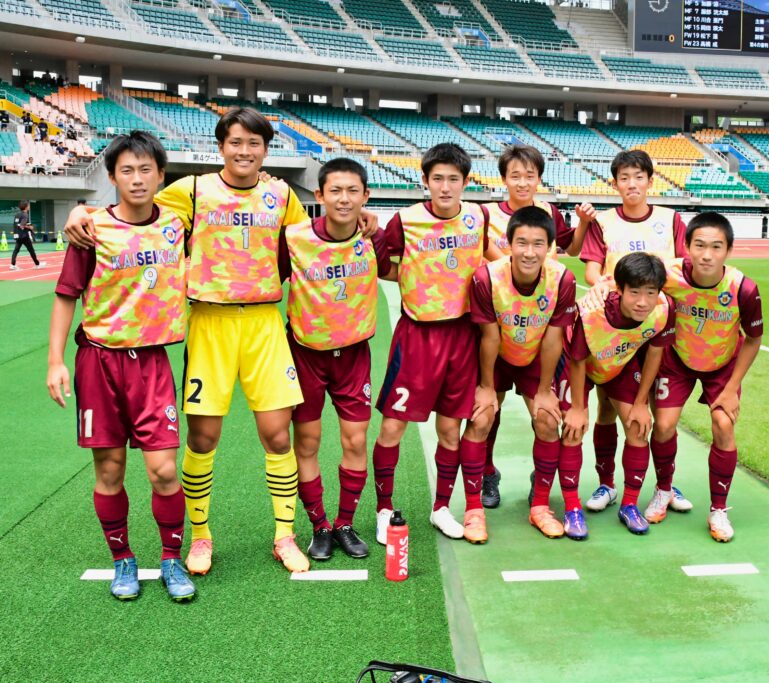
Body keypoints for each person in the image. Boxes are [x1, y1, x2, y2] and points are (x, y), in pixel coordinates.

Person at [62, 108, 375, 575]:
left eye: (254, 143)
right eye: (235, 142)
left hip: (264, 324)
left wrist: (363, 214)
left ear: (265, 150)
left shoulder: (281, 194)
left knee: (277, 435)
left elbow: (314, 232)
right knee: (203, 437)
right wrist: (81, 210)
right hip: (210, 322)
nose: (244, 151)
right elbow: (133, 202)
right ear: (221, 146)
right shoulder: (192, 190)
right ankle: (201, 537)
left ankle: (284, 535)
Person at [46, 131, 195, 602]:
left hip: (151, 362)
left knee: (164, 471)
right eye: (126, 170)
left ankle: (171, 558)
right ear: (111, 177)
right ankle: (123, 559)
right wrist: (55, 361)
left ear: (161, 175)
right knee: (109, 468)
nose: (137, 178)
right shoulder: (91, 230)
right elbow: (66, 295)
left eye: (146, 169)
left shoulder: (178, 224)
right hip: (99, 361)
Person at [372, 142, 499, 545]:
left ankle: (442, 507)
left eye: (453, 179)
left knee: (449, 429)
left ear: (465, 182)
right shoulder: (406, 220)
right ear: (425, 181)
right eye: (438, 179)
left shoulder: (477, 217)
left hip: (462, 336)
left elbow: (496, 262)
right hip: (418, 336)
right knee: (393, 426)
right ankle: (383, 510)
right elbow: (385, 266)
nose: (445, 187)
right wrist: (414, 277)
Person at [281, 158, 395, 561]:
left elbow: (396, 270)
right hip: (306, 355)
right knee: (307, 442)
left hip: (353, 356)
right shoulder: (294, 238)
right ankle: (320, 526)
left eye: (352, 191)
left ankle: (345, 523)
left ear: (366, 196)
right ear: (320, 195)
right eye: (335, 191)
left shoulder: (374, 237)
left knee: (355, 439)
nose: (344, 199)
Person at [576, 149, 687, 514]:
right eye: (624, 178)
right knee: (607, 407)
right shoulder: (604, 222)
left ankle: (664, 485)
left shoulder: (670, 220)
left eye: (639, 177)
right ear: (615, 184)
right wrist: (602, 284)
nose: (632, 184)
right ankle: (607, 483)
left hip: (658, 324)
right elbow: (591, 269)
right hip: (615, 326)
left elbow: (683, 267)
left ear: (650, 181)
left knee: (658, 412)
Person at [478, 144, 588, 509]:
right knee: (488, 409)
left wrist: (583, 223)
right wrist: (517, 270)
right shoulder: (485, 214)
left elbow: (570, 249)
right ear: (503, 178)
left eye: (530, 175)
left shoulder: (549, 212)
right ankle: (487, 473)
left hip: (541, 329)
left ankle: (539, 479)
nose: (523, 182)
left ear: (539, 178)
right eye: (515, 175)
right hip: (498, 324)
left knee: (546, 414)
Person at [649, 212, 763, 541]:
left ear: (728, 250)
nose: (707, 255)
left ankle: (718, 509)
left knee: (723, 425)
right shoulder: (667, 274)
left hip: (723, 363)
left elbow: (753, 339)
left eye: (716, 247)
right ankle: (664, 489)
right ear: (686, 247)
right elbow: (628, 282)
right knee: (664, 426)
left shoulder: (743, 289)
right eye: (699, 245)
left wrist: (731, 388)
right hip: (677, 359)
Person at [470, 206, 579, 537]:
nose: (529, 252)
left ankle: (540, 506)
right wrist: (486, 387)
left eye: (538, 244)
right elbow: (489, 337)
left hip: (537, 354)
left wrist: (545, 391)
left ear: (550, 247)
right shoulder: (486, 277)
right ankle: (476, 503)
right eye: (521, 243)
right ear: (508, 243)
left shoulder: (563, 279)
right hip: (497, 353)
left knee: (546, 419)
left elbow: (554, 338)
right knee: (482, 417)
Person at [562, 252, 675, 536]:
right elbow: (577, 361)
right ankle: (572, 508)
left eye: (650, 293)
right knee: (573, 428)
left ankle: (629, 504)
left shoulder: (663, 309)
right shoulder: (592, 313)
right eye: (634, 292)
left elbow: (655, 354)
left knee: (638, 426)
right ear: (619, 289)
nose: (642, 301)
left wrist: (641, 403)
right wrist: (578, 408)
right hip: (580, 365)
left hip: (619, 363)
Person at [10, 200, 42, 270]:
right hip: (24, 236)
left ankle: (12, 265)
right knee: (31, 250)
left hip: (18, 235)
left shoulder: (17, 214)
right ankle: (37, 264)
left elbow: (17, 224)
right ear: (26, 207)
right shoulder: (25, 215)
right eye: (28, 205)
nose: (29, 206)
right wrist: (30, 227)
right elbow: (22, 225)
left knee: (16, 250)